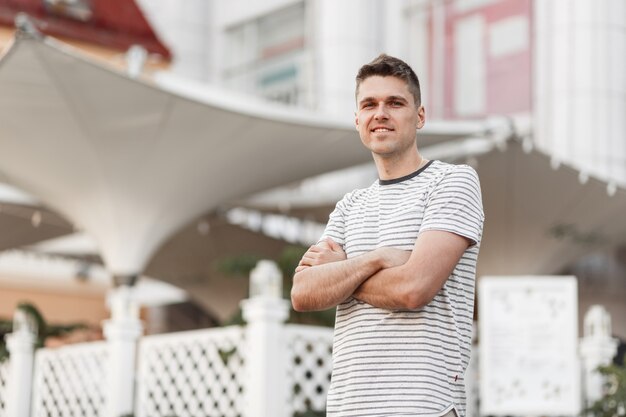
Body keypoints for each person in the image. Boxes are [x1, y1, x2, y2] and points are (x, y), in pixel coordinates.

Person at [291, 54, 484, 417]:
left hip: (426, 407)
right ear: (358, 120)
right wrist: (375, 260)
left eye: (395, 103)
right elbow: (303, 293)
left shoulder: (453, 182)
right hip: (349, 407)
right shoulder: (349, 205)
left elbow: (414, 289)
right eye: (369, 104)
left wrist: (342, 273)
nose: (381, 113)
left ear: (420, 116)